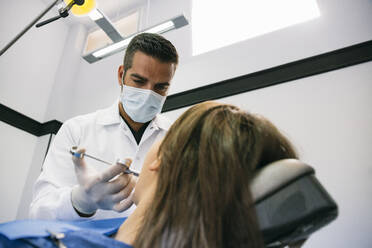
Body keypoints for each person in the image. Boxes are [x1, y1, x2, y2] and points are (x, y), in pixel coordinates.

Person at [1, 101, 300, 247]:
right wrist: (80, 201)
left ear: (160, 159)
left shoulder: (22, 242)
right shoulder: (78, 127)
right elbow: (41, 209)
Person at [29, 33, 179, 220]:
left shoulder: (179, 138)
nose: (148, 93)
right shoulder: (77, 130)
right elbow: (39, 213)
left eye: (160, 87)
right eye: (139, 81)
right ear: (121, 75)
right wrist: (80, 201)